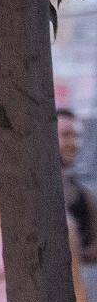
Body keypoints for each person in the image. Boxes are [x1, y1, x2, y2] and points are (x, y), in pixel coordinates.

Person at [57, 107, 97, 264]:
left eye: (75, 136)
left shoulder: (84, 195)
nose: (73, 143)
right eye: (65, 135)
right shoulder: (32, 191)